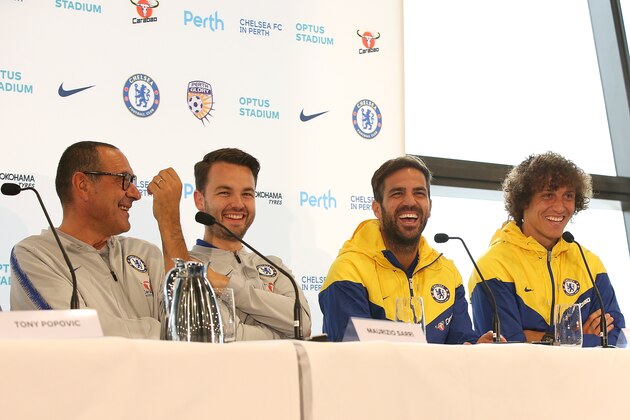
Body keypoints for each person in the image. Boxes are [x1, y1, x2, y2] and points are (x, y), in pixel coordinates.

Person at [319, 155, 496, 343]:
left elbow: (460, 341)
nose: (410, 202)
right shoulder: (348, 270)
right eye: (397, 193)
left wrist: (478, 347)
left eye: (419, 193)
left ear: (429, 206)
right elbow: (353, 355)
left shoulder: (447, 272)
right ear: (377, 208)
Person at [150, 148, 312, 340]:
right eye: (225, 193)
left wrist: (228, 284)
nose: (238, 204)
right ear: (199, 200)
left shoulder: (274, 266)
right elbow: (218, 335)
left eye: (247, 194)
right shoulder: (187, 267)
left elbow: (303, 324)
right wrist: (281, 335)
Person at [469, 151, 625, 346]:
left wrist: (535, 336)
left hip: (586, 377)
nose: (560, 207)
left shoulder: (589, 263)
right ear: (523, 200)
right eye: (548, 195)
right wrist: (577, 336)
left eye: (568, 196)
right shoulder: (493, 266)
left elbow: (615, 338)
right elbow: (508, 346)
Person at [10, 141, 164, 338]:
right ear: (83, 185)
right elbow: (77, 333)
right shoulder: (35, 255)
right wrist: (163, 332)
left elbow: (190, 330)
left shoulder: (145, 253)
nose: (135, 193)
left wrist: (169, 225)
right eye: (124, 179)